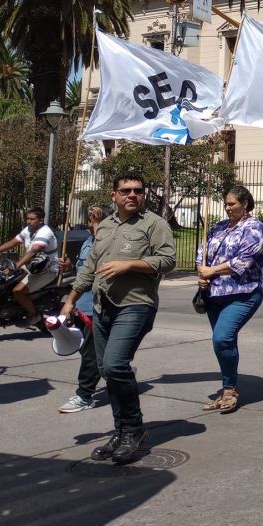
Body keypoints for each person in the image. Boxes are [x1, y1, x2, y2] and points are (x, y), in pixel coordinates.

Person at [59, 171, 176, 464]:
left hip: (135, 305)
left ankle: (134, 429)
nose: (132, 195)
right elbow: (91, 268)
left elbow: (167, 260)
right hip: (102, 306)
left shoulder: (154, 224)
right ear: (114, 196)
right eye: (125, 191)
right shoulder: (106, 226)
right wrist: (71, 299)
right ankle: (121, 430)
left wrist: (131, 265)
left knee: (114, 364)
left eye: (137, 190)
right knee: (105, 368)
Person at [195, 186, 263, 414]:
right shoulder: (218, 227)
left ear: (245, 203)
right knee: (225, 343)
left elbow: (242, 261)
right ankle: (228, 386)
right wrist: (202, 272)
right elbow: (201, 253)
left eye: (232, 204)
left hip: (243, 293)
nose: (227, 208)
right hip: (214, 295)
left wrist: (211, 271)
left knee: (222, 338)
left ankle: (230, 391)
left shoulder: (255, 228)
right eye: (225, 204)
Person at [57, 205, 106, 413]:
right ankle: (114, 371)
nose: (89, 223)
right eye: (89, 220)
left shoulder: (104, 242)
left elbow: (98, 267)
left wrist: (98, 227)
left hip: (97, 306)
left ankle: (84, 395)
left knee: (90, 353)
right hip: (81, 305)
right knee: (91, 351)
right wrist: (68, 266)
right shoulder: (87, 241)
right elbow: (83, 272)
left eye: (93, 220)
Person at [0, 206, 58, 326]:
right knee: (2, 279)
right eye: (27, 218)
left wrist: (16, 266)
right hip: (33, 266)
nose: (28, 221)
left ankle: (33, 315)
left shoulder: (45, 233)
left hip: (46, 270)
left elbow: (33, 251)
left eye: (32, 219)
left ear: (41, 220)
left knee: (18, 291)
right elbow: (14, 242)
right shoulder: (29, 230)